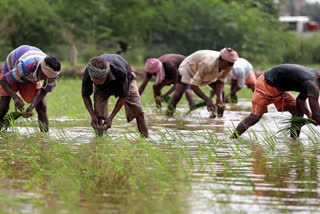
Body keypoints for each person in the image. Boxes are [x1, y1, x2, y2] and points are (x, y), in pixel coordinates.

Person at [232, 64, 320, 138]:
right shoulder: (312, 84)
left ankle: (294, 141)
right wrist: (314, 117)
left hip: (279, 88)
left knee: (297, 112)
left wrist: (309, 115)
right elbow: (317, 115)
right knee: (255, 117)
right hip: (266, 84)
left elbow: (300, 100)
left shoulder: (314, 78)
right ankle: (233, 138)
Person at [81, 54, 148, 137]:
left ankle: (145, 138)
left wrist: (111, 117)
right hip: (102, 88)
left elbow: (124, 96)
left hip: (127, 80)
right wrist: (92, 115)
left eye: (100, 80)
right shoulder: (89, 72)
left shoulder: (120, 72)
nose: (96, 83)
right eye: (94, 81)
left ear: (106, 74)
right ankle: (99, 140)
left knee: (138, 111)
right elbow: (85, 95)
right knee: (98, 114)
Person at [0, 45, 61, 132]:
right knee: (4, 106)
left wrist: (33, 105)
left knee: (41, 105)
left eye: (47, 78)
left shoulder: (53, 74)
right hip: (11, 70)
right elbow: (3, 81)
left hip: (29, 76)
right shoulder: (25, 65)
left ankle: (44, 135)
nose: (45, 79)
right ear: (40, 68)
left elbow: (44, 90)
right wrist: (15, 97)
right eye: (43, 76)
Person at [166, 48, 239, 117]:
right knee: (178, 94)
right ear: (221, 60)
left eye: (231, 64)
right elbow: (193, 85)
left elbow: (221, 80)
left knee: (221, 96)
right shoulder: (207, 64)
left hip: (206, 71)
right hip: (189, 67)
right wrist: (207, 100)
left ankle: (218, 119)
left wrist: (219, 98)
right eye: (228, 64)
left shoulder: (229, 66)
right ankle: (168, 116)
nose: (229, 66)